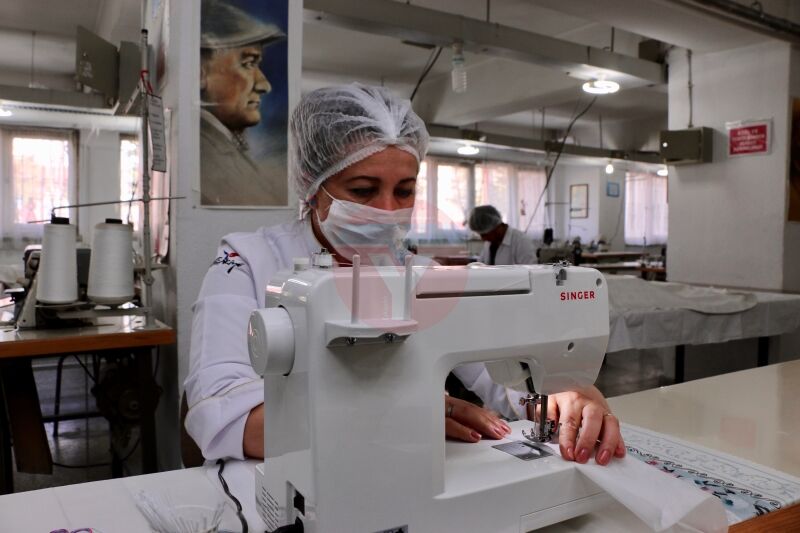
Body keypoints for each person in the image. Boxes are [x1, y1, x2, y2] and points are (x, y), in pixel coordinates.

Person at [184, 84, 625, 468]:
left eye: (405, 190)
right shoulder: (247, 262)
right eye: (363, 190)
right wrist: (411, 414)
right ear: (310, 183)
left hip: (398, 475)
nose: (387, 210)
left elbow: (506, 381)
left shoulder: (424, 280)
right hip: (268, 486)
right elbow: (224, 421)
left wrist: (566, 394)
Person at [199, 0, 288, 206]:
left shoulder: (223, 147)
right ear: (200, 73)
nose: (264, 85)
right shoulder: (207, 156)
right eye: (248, 64)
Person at [468, 205, 537, 265]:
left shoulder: (521, 241)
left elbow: (530, 271)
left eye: (485, 234)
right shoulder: (490, 242)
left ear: (496, 227)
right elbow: (481, 265)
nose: (483, 239)